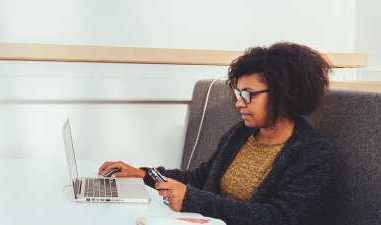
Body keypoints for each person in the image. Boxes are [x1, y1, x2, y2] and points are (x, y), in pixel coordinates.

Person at [98, 42, 334, 225]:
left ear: (284, 93)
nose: (240, 103)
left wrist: (192, 199)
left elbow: (276, 218)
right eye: (238, 93)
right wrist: (143, 174)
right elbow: (201, 177)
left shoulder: (313, 153)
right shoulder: (241, 134)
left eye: (248, 94)